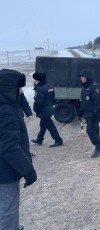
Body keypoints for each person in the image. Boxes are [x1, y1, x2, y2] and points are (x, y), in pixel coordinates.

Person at [0, 69, 37, 230]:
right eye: (18, 88)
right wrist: (28, 170)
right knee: (8, 207)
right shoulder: (6, 111)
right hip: (5, 171)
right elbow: (10, 147)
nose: (21, 92)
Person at [31, 72, 63, 147]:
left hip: (44, 109)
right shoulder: (49, 86)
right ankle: (39, 139)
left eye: (34, 79)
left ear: (38, 80)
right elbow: (53, 97)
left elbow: (38, 101)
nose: (34, 81)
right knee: (43, 125)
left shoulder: (40, 88)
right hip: (49, 107)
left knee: (50, 125)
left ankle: (58, 140)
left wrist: (36, 110)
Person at [78, 69, 100, 158]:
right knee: (95, 130)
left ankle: (98, 147)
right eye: (80, 77)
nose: (80, 79)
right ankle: (99, 148)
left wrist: (94, 114)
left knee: (90, 131)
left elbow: (98, 103)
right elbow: (83, 101)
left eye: (82, 77)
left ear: (87, 77)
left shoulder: (94, 87)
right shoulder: (85, 87)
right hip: (88, 113)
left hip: (94, 114)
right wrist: (80, 111)